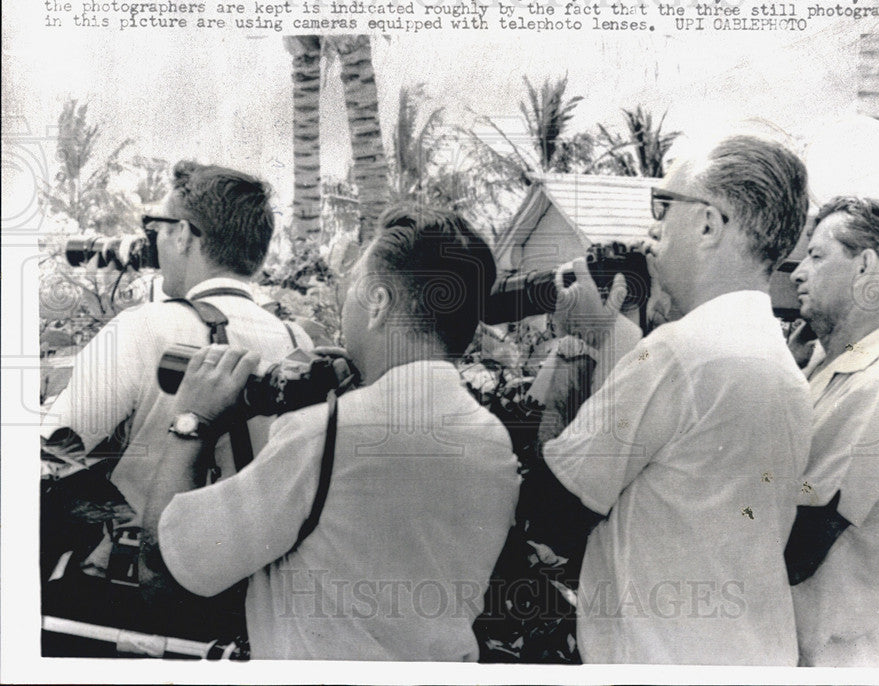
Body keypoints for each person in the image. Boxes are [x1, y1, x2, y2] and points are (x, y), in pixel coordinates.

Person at [139, 206, 521, 660]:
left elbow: (163, 565)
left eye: (353, 288)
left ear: (378, 304)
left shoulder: (327, 436)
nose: (347, 305)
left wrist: (192, 419)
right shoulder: (492, 442)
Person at [529, 135, 813, 664]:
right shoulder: (779, 362)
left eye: (664, 206)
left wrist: (583, 344)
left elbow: (553, 509)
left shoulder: (681, 352)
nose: (652, 228)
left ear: (708, 223)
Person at [40, 161, 311, 574]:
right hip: (253, 582)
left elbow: (53, 451)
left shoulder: (145, 326)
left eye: (157, 228)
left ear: (182, 235)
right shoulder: (296, 341)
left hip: (145, 587)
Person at [787, 196, 879, 667]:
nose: (797, 272)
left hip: (817, 655)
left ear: (865, 267)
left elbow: (796, 547)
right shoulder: (831, 360)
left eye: (816, 255)